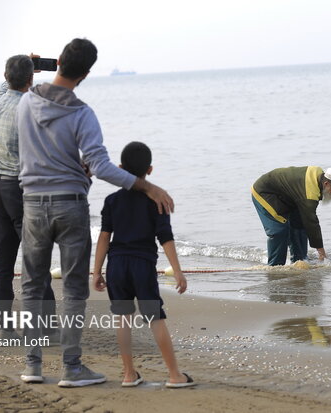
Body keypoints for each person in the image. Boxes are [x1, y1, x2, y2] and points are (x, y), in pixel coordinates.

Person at [17, 39, 174, 387]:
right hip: (69, 204)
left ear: (58, 62)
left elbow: (16, 87)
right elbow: (101, 167)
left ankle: (32, 365)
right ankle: (71, 368)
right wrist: (147, 186)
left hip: (31, 204)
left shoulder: (25, 101)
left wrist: (33, 70)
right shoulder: (82, 113)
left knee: (31, 286)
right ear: (86, 74)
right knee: (73, 290)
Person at [93, 141, 196, 388]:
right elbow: (166, 238)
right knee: (154, 318)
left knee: (122, 319)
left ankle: (129, 374)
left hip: (116, 267)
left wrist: (97, 271)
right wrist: (178, 271)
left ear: (120, 168)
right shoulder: (157, 201)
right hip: (142, 267)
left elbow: (104, 237)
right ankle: (174, 375)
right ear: (149, 170)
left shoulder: (111, 201)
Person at [0, 54, 57, 342]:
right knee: (35, 258)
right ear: (31, 79)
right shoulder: (28, 107)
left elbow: (9, 85)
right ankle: (49, 326)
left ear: (5, 76)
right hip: (20, 190)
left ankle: (4, 328)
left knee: (2, 261)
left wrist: (26, 70)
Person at [252, 166, 331, 266]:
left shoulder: (318, 175)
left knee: (300, 223)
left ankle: (299, 260)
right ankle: (275, 266)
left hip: (289, 196)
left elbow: (306, 220)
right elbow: (312, 223)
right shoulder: (310, 194)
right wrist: (322, 253)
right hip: (265, 192)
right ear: (326, 184)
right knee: (279, 231)